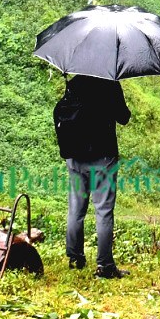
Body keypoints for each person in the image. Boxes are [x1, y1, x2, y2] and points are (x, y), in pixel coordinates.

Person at [55, 75, 131, 278]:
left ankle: (75, 257)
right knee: (103, 211)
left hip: (75, 158)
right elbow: (123, 117)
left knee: (76, 209)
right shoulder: (110, 83)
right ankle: (105, 266)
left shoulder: (74, 82)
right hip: (102, 158)